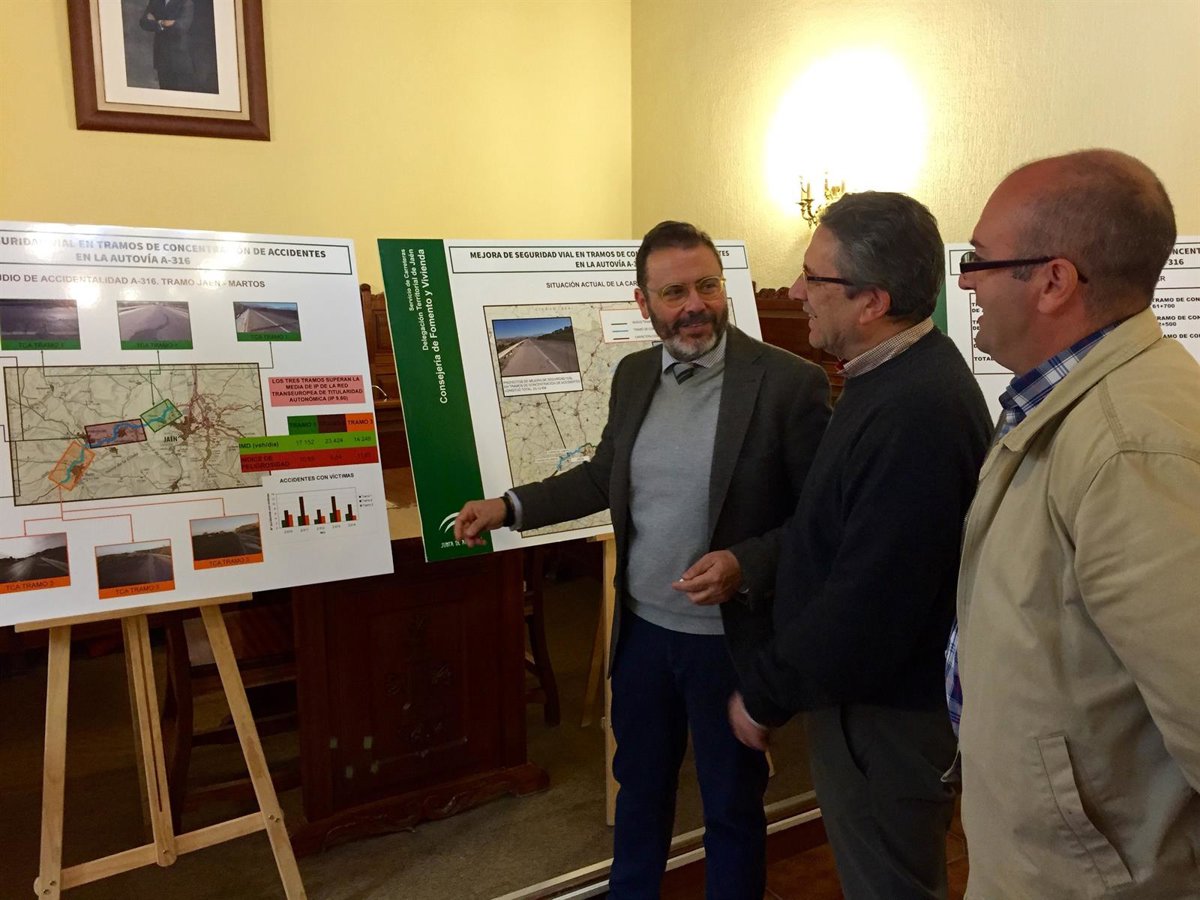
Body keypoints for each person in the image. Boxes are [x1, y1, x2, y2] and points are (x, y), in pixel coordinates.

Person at [455, 221, 830, 899]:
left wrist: (746, 563)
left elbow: (819, 521)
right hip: (643, 640)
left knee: (731, 807)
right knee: (640, 795)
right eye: (674, 292)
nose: (695, 305)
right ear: (643, 302)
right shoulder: (634, 376)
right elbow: (605, 476)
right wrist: (508, 507)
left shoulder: (787, 383)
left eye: (707, 286)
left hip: (727, 645)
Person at [951, 149, 1200, 897]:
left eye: (979, 260)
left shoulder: (1129, 444)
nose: (964, 281)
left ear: (1054, 281)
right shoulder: (1079, 402)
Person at [729, 192, 991, 899]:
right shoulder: (892, 377)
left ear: (872, 301)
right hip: (866, 703)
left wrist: (764, 693)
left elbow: (870, 599)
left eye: (814, 277)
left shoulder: (916, 410)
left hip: (884, 717)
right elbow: (838, 528)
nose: (795, 291)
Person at [139, 0, 197, 92]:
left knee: (180, 94)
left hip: (179, 59)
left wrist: (157, 22)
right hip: (161, 57)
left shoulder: (186, 2)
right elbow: (143, 22)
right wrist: (163, 23)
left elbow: (181, 27)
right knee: (164, 92)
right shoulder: (155, 2)